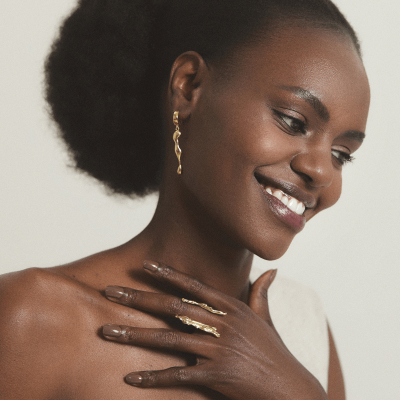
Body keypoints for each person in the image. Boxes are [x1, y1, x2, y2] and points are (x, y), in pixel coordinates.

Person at [0, 0, 370, 399]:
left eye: (341, 154)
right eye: (293, 121)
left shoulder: (305, 326)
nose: (321, 171)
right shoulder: (34, 318)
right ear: (189, 86)